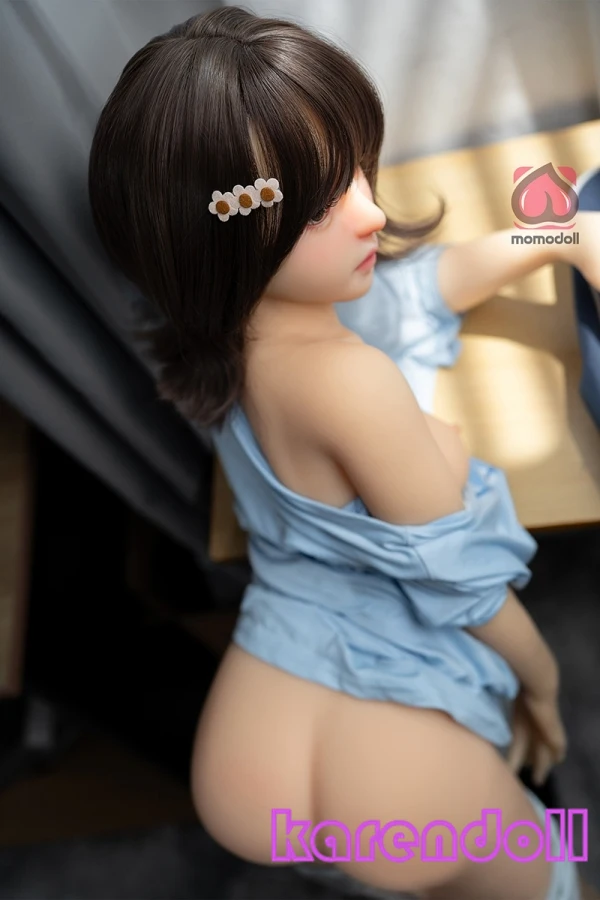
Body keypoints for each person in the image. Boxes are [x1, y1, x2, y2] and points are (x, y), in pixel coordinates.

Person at [88, 6, 600, 898]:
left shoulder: (221, 331)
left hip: (250, 748)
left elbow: (420, 293)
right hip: (394, 778)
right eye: (324, 201)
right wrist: (545, 684)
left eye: (360, 171)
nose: (373, 211)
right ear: (236, 231)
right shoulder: (351, 382)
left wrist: (561, 235)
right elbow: (470, 590)